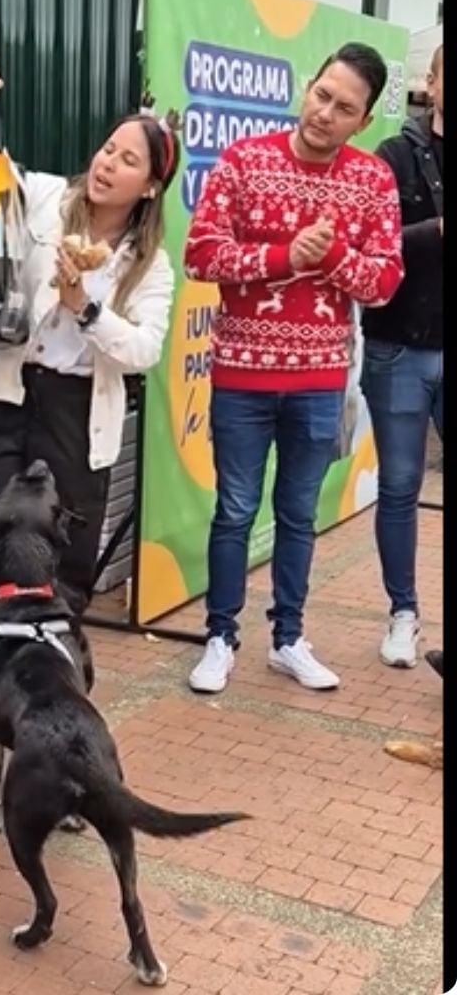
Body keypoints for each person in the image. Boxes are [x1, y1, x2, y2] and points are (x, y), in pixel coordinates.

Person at [0, 53, 181, 762]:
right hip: (2, 387)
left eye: (127, 158)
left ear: (150, 184)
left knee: (64, 562)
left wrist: (88, 305)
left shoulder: (150, 264)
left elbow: (141, 351)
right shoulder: (46, 197)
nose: (108, 163)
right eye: (108, 148)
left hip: (78, 410)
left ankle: (56, 706)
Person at [184, 43, 403, 694]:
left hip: (318, 378)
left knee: (298, 513)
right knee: (235, 510)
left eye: (344, 108)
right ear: (308, 88)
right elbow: (200, 253)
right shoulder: (244, 161)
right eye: (322, 95)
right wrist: (283, 256)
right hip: (242, 375)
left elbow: (385, 282)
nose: (326, 113)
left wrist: (331, 255)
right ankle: (219, 636)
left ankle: (288, 638)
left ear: (363, 122)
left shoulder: (372, 180)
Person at [365, 43, 442, 669]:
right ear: (433, 84)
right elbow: (370, 240)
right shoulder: (395, 156)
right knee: (398, 486)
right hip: (400, 348)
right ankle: (403, 614)